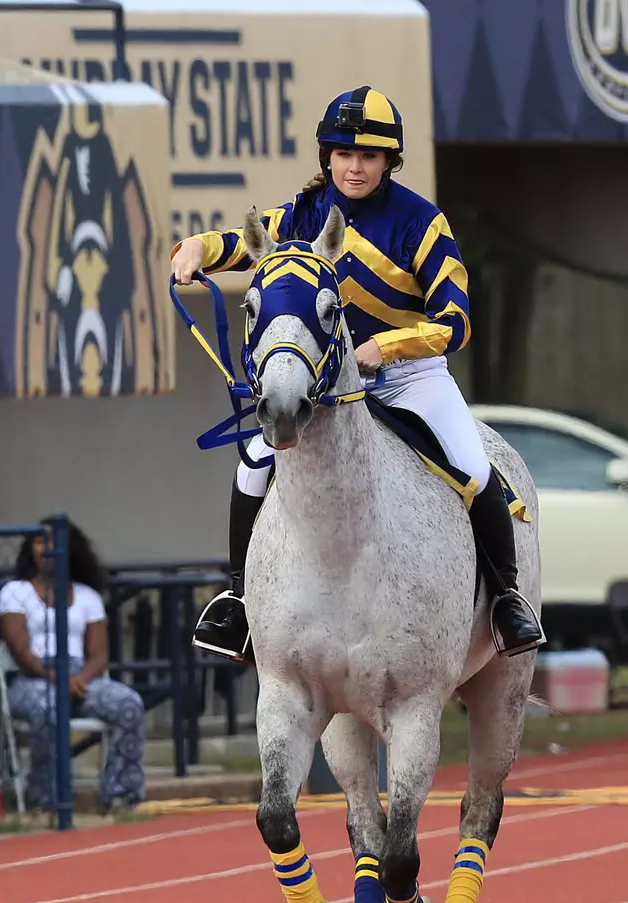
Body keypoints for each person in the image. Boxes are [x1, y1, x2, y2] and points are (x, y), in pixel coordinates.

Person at [171, 85, 545, 664]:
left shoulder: (422, 222)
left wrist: (385, 346)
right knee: (252, 464)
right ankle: (239, 598)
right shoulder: (304, 213)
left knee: (472, 466)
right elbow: (248, 242)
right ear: (328, 157)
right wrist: (198, 245)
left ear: (388, 161)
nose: (354, 167)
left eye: (368, 156)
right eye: (344, 155)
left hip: (411, 377)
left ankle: (505, 599)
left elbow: (456, 320)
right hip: (327, 386)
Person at [0, 517, 146, 813]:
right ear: (30, 549)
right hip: (32, 678)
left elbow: (99, 655)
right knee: (46, 707)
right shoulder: (15, 592)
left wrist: (81, 678)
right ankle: (46, 798)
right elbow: (22, 653)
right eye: (40, 542)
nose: (46, 549)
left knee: (128, 703)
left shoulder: (87, 596)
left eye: (53, 542)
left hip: (82, 678)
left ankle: (120, 794)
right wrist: (59, 678)